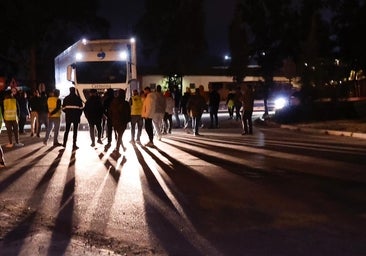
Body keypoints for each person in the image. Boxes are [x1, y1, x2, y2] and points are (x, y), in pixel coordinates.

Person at [109, 89, 131, 154]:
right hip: (122, 122)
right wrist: (127, 120)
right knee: (120, 135)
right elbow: (128, 113)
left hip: (115, 121)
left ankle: (122, 147)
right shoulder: (125, 103)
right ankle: (118, 149)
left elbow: (110, 112)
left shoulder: (113, 102)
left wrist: (112, 119)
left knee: (119, 135)